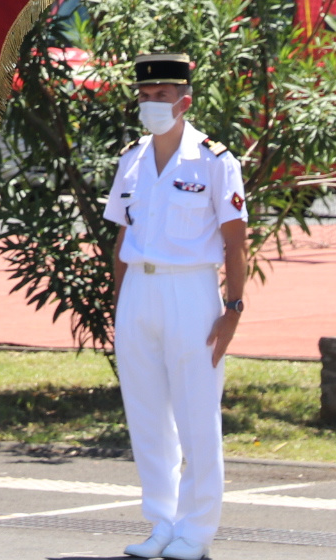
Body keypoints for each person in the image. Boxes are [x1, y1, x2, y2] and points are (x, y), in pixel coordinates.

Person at [106, 52, 248, 560]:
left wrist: (231, 309)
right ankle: (161, 522)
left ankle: (197, 530)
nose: (151, 104)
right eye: (145, 96)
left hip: (191, 291)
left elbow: (236, 243)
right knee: (145, 413)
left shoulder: (214, 160)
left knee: (196, 414)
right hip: (141, 292)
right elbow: (124, 239)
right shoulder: (132, 158)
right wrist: (122, 306)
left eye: (161, 97)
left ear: (184, 101)